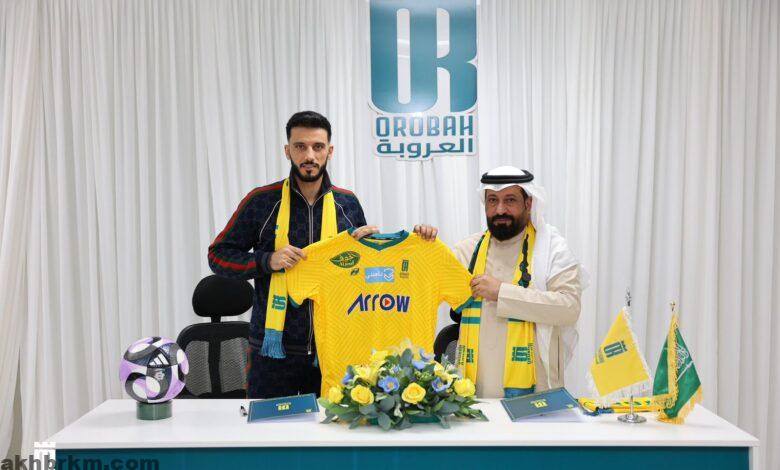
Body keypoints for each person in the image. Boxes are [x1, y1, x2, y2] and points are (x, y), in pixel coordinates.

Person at [208, 111, 376, 398]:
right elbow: (218, 256)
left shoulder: (347, 204)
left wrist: (372, 250)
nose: (309, 155)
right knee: (267, 427)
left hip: (333, 347)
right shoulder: (262, 201)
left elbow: (362, 275)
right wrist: (266, 261)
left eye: (317, 147)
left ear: (329, 151)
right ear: (288, 151)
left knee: (333, 427)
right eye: (300, 146)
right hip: (272, 351)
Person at [452, 166, 584, 398]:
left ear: (529, 203)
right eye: (492, 200)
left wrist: (502, 293)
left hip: (536, 388)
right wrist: (423, 240)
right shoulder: (467, 250)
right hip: (475, 390)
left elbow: (569, 308)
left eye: (510, 200)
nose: (500, 209)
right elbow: (424, 279)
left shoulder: (553, 249)